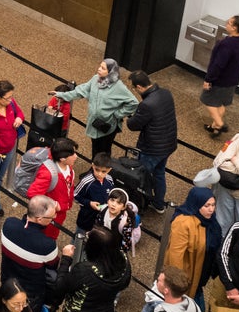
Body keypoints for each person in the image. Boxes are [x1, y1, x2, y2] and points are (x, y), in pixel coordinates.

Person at [55, 225, 131, 312]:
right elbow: (125, 283)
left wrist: (66, 259)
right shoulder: (123, 262)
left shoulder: (85, 271)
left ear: (94, 248)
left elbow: (60, 287)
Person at [52, 58, 138, 158]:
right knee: (95, 148)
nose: (99, 69)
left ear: (110, 71)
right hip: (95, 123)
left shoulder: (119, 87)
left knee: (104, 151)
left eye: (103, 68)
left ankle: (101, 170)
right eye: (100, 66)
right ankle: (94, 169)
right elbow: (79, 91)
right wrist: (61, 95)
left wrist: (118, 114)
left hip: (107, 125)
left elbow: (133, 102)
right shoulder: (95, 79)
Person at [126, 70, 178, 213]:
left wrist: (130, 117)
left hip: (152, 148)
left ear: (139, 87)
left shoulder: (147, 104)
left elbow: (133, 125)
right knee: (159, 174)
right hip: (168, 145)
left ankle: (140, 203)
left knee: (142, 177)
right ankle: (159, 203)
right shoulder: (166, 93)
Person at [0, 196, 60, 312]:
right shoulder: (47, 245)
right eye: (51, 217)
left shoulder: (8, 224)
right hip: (31, 293)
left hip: (7, 283)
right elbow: (52, 267)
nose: (54, 218)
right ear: (39, 219)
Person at [163, 186, 222, 305]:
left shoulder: (210, 221)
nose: (211, 209)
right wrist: (178, 285)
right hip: (187, 279)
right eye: (206, 206)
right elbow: (175, 256)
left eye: (213, 205)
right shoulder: (183, 223)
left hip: (200, 274)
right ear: (196, 204)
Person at [203, 14, 239, 138]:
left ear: (234, 28)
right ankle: (215, 128)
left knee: (208, 100)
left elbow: (218, 64)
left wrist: (208, 79)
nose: (226, 24)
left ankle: (220, 123)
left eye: (229, 23)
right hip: (233, 79)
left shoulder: (227, 44)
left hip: (220, 79)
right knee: (221, 103)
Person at [26, 138, 79, 240]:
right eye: (73, 154)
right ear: (62, 158)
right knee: (46, 238)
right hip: (49, 217)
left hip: (59, 213)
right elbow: (33, 194)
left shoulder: (68, 167)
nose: (76, 156)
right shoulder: (48, 173)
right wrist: (54, 205)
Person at [74, 153, 115, 234]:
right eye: (97, 170)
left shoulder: (110, 180)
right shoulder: (86, 181)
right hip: (86, 218)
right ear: (92, 166)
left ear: (109, 170)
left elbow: (112, 194)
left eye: (104, 171)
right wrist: (89, 203)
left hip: (102, 220)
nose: (100, 174)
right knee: (78, 240)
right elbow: (75, 196)